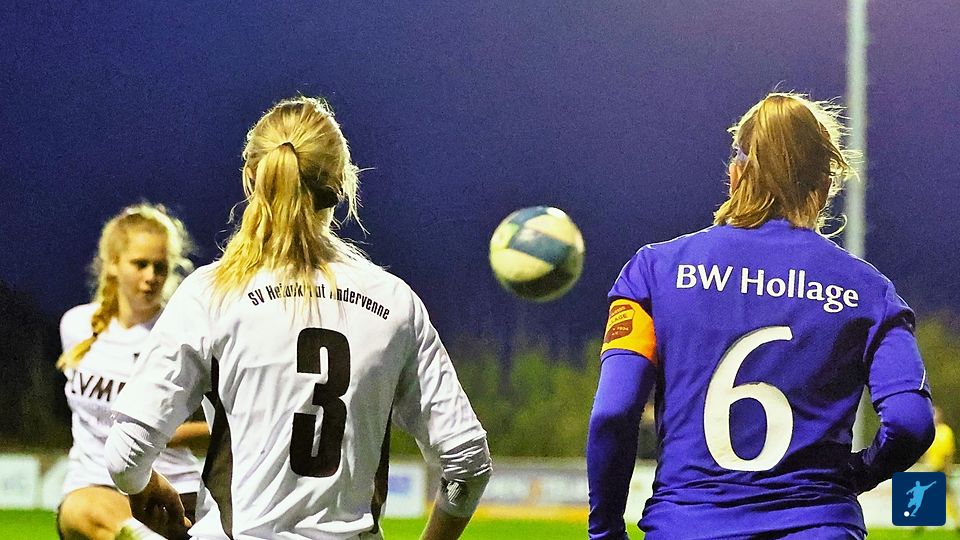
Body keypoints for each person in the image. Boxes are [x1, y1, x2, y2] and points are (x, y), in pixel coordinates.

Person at [103, 96, 492, 540]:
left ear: (251, 178)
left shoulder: (212, 294)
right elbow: (468, 465)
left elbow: (125, 456)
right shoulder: (395, 303)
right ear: (342, 185)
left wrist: (145, 487)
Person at [586, 92, 936, 539]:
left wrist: (605, 531)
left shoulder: (652, 272)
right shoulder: (870, 292)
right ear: (824, 185)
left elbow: (614, 413)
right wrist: (860, 473)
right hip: (819, 526)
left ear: (736, 172)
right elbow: (910, 422)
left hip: (687, 526)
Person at [57, 203, 208, 540]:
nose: (151, 276)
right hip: (96, 488)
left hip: (173, 490)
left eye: (160, 266)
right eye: (140, 264)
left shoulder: (180, 330)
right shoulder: (75, 326)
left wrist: (171, 431)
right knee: (78, 508)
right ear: (113, 263)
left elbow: (212, 420)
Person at [920, 406, 957, 526]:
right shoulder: (929, 431)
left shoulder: (945, 431)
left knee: (947, 495)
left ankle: (955, 522)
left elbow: (949, 451)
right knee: (929, 495)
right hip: (931, 468)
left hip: (941, 469)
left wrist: (948, 467)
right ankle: (922, 522)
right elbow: (925, 451)